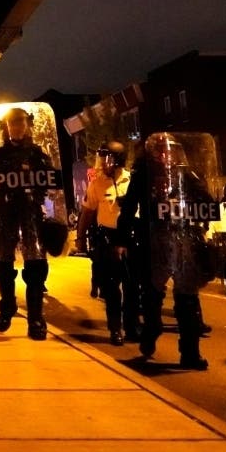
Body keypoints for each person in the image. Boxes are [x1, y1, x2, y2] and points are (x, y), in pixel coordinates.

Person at [118, 133, 216, 370]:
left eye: (169, 151)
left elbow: (208, 204)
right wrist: (121, 240)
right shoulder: (144, 176)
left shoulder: (186, 175)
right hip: (153, 242)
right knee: (151, 296)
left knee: (188, 299)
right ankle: (151, 331)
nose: (165, 155)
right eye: (160, 151)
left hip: (183, 242)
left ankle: (190, 352)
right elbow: (129, 207)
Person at [0, 105, 61, 340]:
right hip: (6, 213)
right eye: (12, 124)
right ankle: (7, 306)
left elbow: (53, 186)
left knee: (36, 267)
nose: (16, 127)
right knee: (5, 265)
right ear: (7, 129)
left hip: (32, 214)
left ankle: (36, 318)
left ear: (27, 125)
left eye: (20, 122)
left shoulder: (38, 155)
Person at [76, 141, 138, 345]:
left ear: (117, 160)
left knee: (132, 286)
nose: (102, 163)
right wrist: (80, 238)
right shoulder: (98, 184)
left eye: (106, 158)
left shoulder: (133, 181)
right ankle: (115, 329)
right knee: (112, 287)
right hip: (107, 240)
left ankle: (131, 326)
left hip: (130, 239)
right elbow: (87, 212)